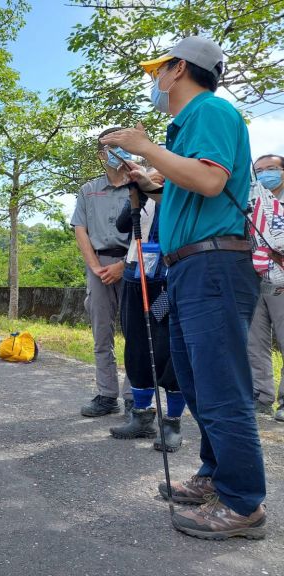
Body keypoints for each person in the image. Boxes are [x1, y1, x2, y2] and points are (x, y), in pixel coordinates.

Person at [101, 36, 266, 540]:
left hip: (213, 263)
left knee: (220, 386)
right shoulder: (188, 127)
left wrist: (145, 146)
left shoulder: (211, 110)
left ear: (179, 70)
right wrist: (152, 178)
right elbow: (190, 180)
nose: (155, 80)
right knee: (196, 381)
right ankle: (217, 476)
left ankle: (243, 505)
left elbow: (212, 181)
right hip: (191, 267)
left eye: (160, 70)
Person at [109, 189, 186, 452]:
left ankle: (172, 423)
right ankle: (141, 415)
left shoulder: (180, 194)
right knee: (137, 346)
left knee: (170, 349)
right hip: (136, 277)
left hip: (168, 282)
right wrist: (138, 196)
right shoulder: (139, 198)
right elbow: (122, 226)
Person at [71, 128, 133, 417]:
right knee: (101, 333)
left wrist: (126, 265)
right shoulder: (88, 190)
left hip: (134, 265)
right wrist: (95, 266)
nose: (118, 152)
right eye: (111, 147)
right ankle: (107, 395)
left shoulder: (142, 184)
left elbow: (150, 228)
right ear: (101, 155)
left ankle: (136, 397)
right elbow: (80, 229)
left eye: (122, 145)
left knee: (137, 334)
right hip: (98, 265)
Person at [246, 154, 284, 422]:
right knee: (254, 342)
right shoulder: (251, 204)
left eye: (272, 169)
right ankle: (261, 396)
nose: (265, 175)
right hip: (253, 279)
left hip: (282, 279)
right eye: (259, 171)